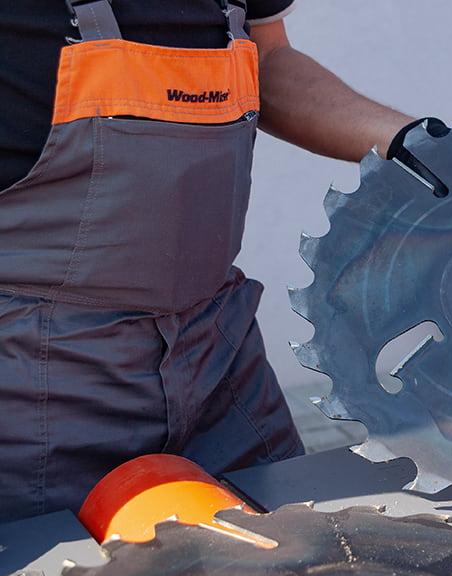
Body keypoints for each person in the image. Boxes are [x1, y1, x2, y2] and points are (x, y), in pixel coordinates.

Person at [0, 1, 413, 521]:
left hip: (220, 363)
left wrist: (411, 143)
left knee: (296, 553)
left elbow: (268, 60)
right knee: (60, 570)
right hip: (35, 388)